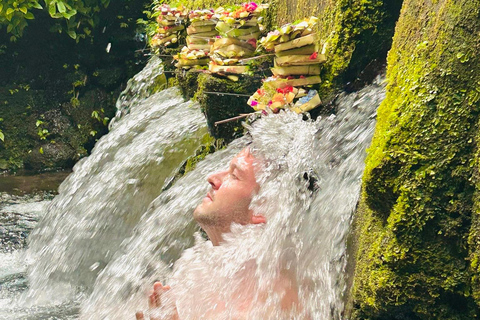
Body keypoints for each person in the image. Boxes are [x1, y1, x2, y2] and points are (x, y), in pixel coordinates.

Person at [135, 148, 300, 320]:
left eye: (234, 175)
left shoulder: (278, 304)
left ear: (264, 206)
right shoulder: (196, 266)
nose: (212, 178)